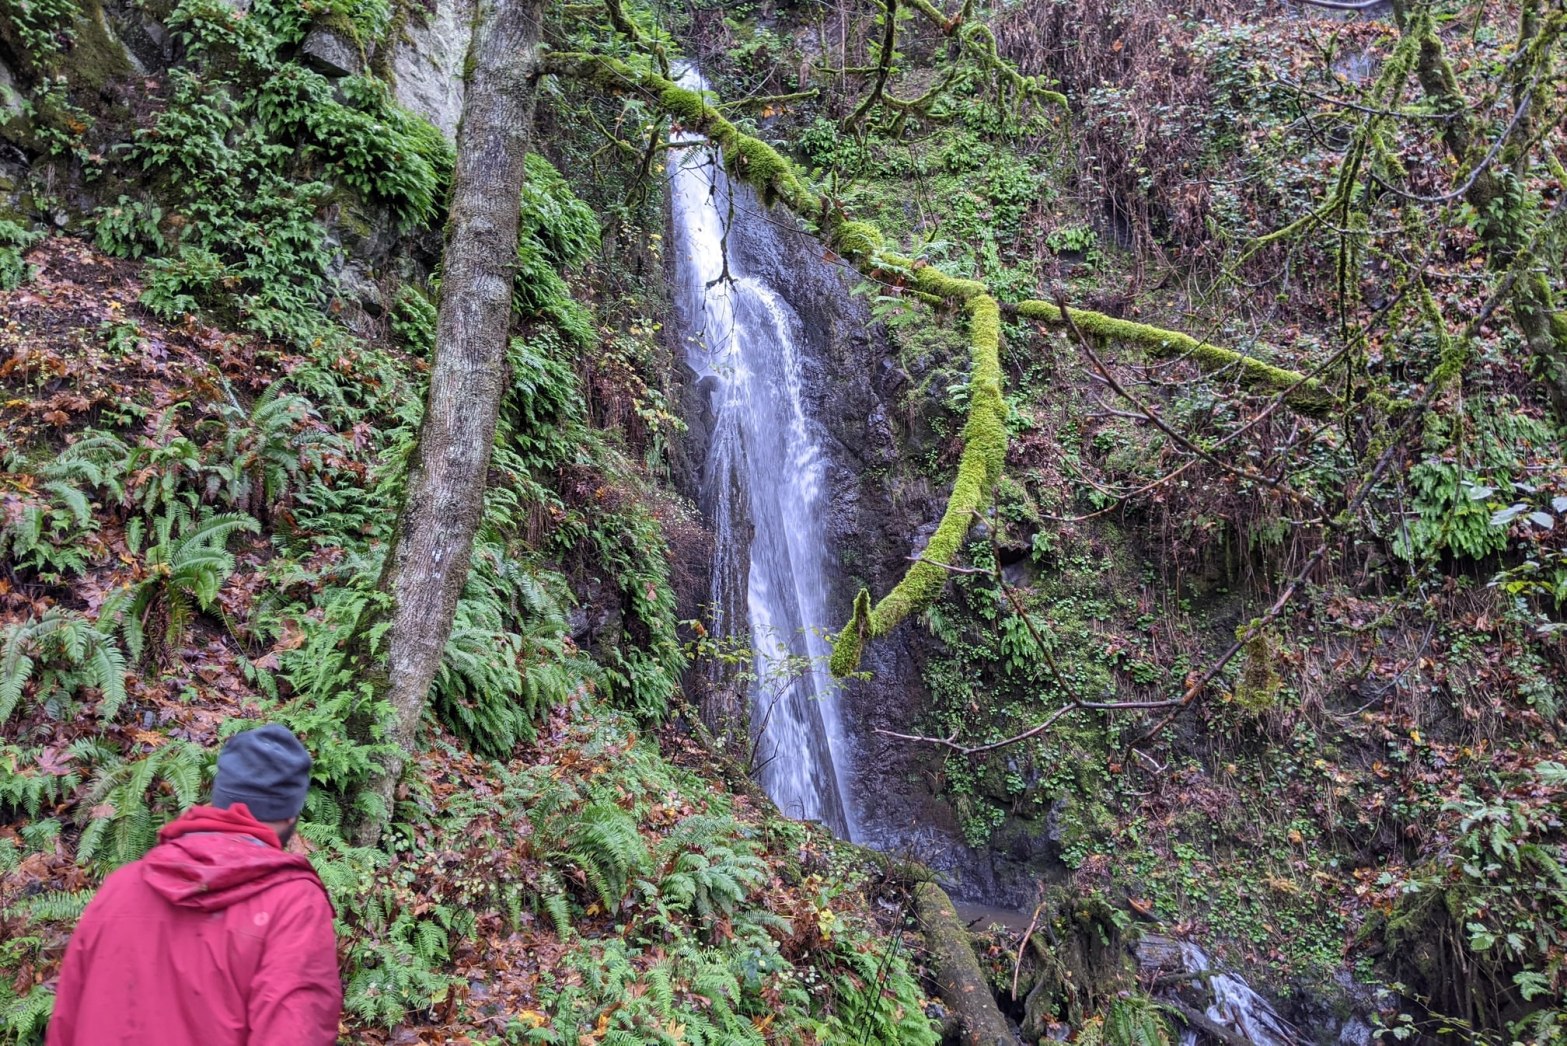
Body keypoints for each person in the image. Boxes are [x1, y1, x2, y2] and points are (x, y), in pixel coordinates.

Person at [46, 724, 342, 1045]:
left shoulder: (121, 887)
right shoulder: (292, 905)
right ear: (290, 816)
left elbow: (65, 1023)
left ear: (219, 799)